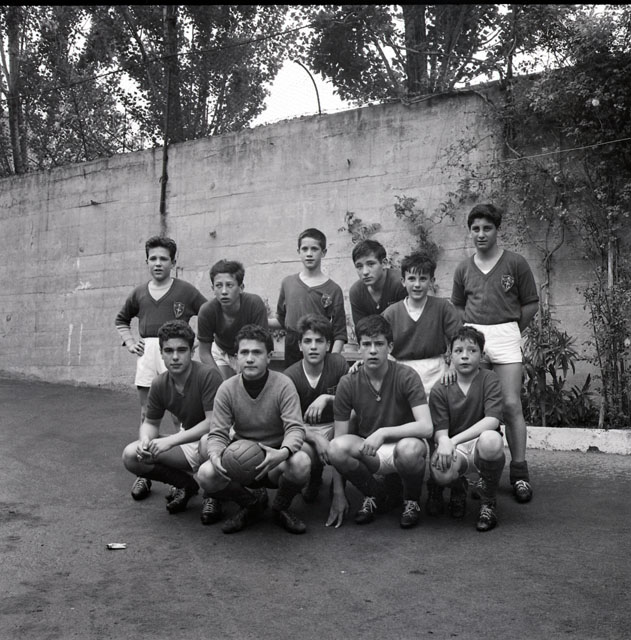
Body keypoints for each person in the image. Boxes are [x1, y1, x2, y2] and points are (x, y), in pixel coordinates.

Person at [452, 203, 539, 503]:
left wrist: (511, 330)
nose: (481, 234)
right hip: (474, 337)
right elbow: (458, 306)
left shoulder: (515, 263)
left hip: (505, 335)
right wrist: (470, 335)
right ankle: (481, 474)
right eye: (475, 229)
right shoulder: (463, 268)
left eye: (487, 228)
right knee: (476, 408)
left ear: (497, 230)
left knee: (510, 404)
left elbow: (530, 304)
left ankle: (519, 473)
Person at [115, 236, 207, 501]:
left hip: (175, 352)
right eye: (153, 258)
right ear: (147, 261)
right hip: (149, 353)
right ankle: (145, 470)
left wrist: (199, 341)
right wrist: (130, 341)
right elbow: (121, 319)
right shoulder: (139, 293)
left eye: (163, 259)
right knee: (147, 413)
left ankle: (180, 471)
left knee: (180, 415)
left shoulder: (186, 291)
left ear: (173, 262)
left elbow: (208, 312)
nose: (158, 263)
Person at [197, 324, 310, 534]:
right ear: (236, 358)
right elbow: (218, 433)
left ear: (269, 357)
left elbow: (295, 428)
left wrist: (283, 452)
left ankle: (280, 508)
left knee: (301, 462)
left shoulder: (284, 384)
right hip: (241, 457)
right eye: (244, 353)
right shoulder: (227, 388)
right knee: (206, 474)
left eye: (257, 353)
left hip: (275, 457)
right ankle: (251, 505)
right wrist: (215, 456)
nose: (250, 359)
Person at [326, 315, 433, 529]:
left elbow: (426, 427)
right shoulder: (348, 382)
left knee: (409, 450)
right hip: (371, 451)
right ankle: (375, 494)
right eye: (366, 344)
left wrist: (384, 432)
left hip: (404, 444)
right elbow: (339, 438)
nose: (373, 350)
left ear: (390, 347)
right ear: (359, 348)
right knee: (335, 448)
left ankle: (411, 500)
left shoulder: (406, 375)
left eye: (379, 344)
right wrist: (338, 493)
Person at [121, 320, 223, 520]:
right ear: (161, 353)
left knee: (205, 442)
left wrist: (170, 441)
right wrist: (145, 441)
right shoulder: (159, 383)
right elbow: (150, 423)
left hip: (218, 441)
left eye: (181, 350)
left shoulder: (208, 375)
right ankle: (186, 484)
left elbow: (213, 423)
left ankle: (214, 496)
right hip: (188, 443)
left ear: (191, 352)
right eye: (168, 350)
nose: (175, 357)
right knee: (131, 455)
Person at [427, 326, 506, 531]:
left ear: (482, 355)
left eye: (472, 350)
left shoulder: (489, 378)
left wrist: (452, 440)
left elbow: (492, 420)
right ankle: (458, 486)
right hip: (457, 450)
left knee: (492, 439)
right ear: (450, 356)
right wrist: (445, 441)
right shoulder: (440, 388)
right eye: (458, 350)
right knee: (440, 471)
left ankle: (488, 502)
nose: (465, 356)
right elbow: (440, 431)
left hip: (480, 444)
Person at [283, 313, 349, 503]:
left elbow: (353, 403)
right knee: (299, 453)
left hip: (336, 426)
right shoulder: (290, 376)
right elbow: (289, 422)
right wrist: (316, 438)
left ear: (328, 345)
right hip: (306, 430)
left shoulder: (338, 364)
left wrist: (327, 398)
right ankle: (313, 477)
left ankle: (339, 482)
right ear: (299, 345)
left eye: (319, 341)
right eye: (307, 341)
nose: (313, 347)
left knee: (351, 419)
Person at [382, 251, 461, 397]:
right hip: (401, 372)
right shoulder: (391, 313)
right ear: (403, 281)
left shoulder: (443, 308)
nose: (417, 284)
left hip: (436, 372)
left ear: (432, 281)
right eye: (411, 279)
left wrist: (452, 368)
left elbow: (459, 340)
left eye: (423, 279)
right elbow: (379, 343)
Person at [272, 228, 347, 368]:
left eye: (314, 249)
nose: (309, 254)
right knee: (293, 381)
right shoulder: (288, 283)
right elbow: (281, 320)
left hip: (318, 345)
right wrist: (255, 318)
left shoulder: (333, 289)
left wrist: (333, 360)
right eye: (305, 249)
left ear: (323, 252)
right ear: (298, 252)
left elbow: (339, 332)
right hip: (293, 347)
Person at [197, 259, 268, 380]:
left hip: (248, 351)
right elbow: (204, 353)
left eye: (229, 285)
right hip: (220, 351)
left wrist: (245, 361)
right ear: (213, 288)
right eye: (219, 286)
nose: (224, 291)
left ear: (241, 287)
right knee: (221, 386)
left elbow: (261, 344)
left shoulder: (254, 304)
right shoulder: (207, 311)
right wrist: (219, 380)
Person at [349, 239, 406, 328]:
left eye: (370, 264)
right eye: (359, 266)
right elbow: (361, 329)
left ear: (384, 263)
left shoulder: (401, 284)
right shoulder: (356, 292)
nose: (365, 272)